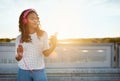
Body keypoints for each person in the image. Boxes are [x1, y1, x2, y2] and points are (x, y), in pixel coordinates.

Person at [15, 8, 57, 81]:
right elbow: (17, 58)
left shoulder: (43, 34)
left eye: (36, 18)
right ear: (25, 21)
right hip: (23, 71)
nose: (35, 20)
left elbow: (46, 53)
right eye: (32, 18)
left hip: (39, 71)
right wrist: (19, 55)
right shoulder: (19, 38)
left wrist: (54, 45)